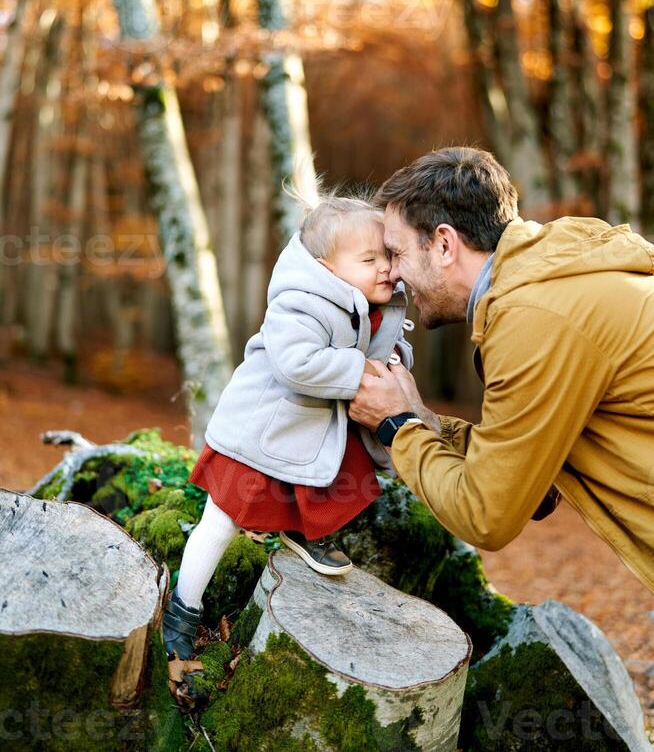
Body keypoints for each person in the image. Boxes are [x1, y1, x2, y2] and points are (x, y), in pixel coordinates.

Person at [348, 147, 654, 595]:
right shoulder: (550, 284)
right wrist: (427, 422)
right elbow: (527, 476)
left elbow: (488, 515)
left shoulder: (535, 318)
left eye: (396, 253)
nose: (391, 274)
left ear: (445, 244)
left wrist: (397, 426)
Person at [163, 194, 413, 659]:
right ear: (326, 268)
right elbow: (297, 365)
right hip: (259, 431)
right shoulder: (300, 303)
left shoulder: (371, 304)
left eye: (388, 256)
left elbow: (379, 352)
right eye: (368, 259)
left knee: (329, 479)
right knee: (221, 520)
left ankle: (301, 531)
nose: (384, 268)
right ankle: (183, 607)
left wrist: (392, 361)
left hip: (310, 430)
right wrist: (361, 368)